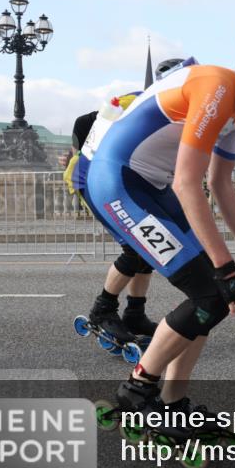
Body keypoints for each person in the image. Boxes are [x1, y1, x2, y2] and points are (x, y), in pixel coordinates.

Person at [84, 24, 235, 421]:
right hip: (118, 184)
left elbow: (219, 184)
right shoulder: (216, 86)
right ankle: (137, 391)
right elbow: (187, 182)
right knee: (210, 293)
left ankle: (173, 402)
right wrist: (225, 268)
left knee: (213, 298)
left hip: (150, 188)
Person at [67, 57, 196, 346]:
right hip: (99, 182)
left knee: (149, 250)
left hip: (141, 183)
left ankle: (135, 312)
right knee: (135, 248)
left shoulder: (185, 110)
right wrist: (82, 160)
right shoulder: (137, 102)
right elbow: (92, 128)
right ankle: (103, 309)